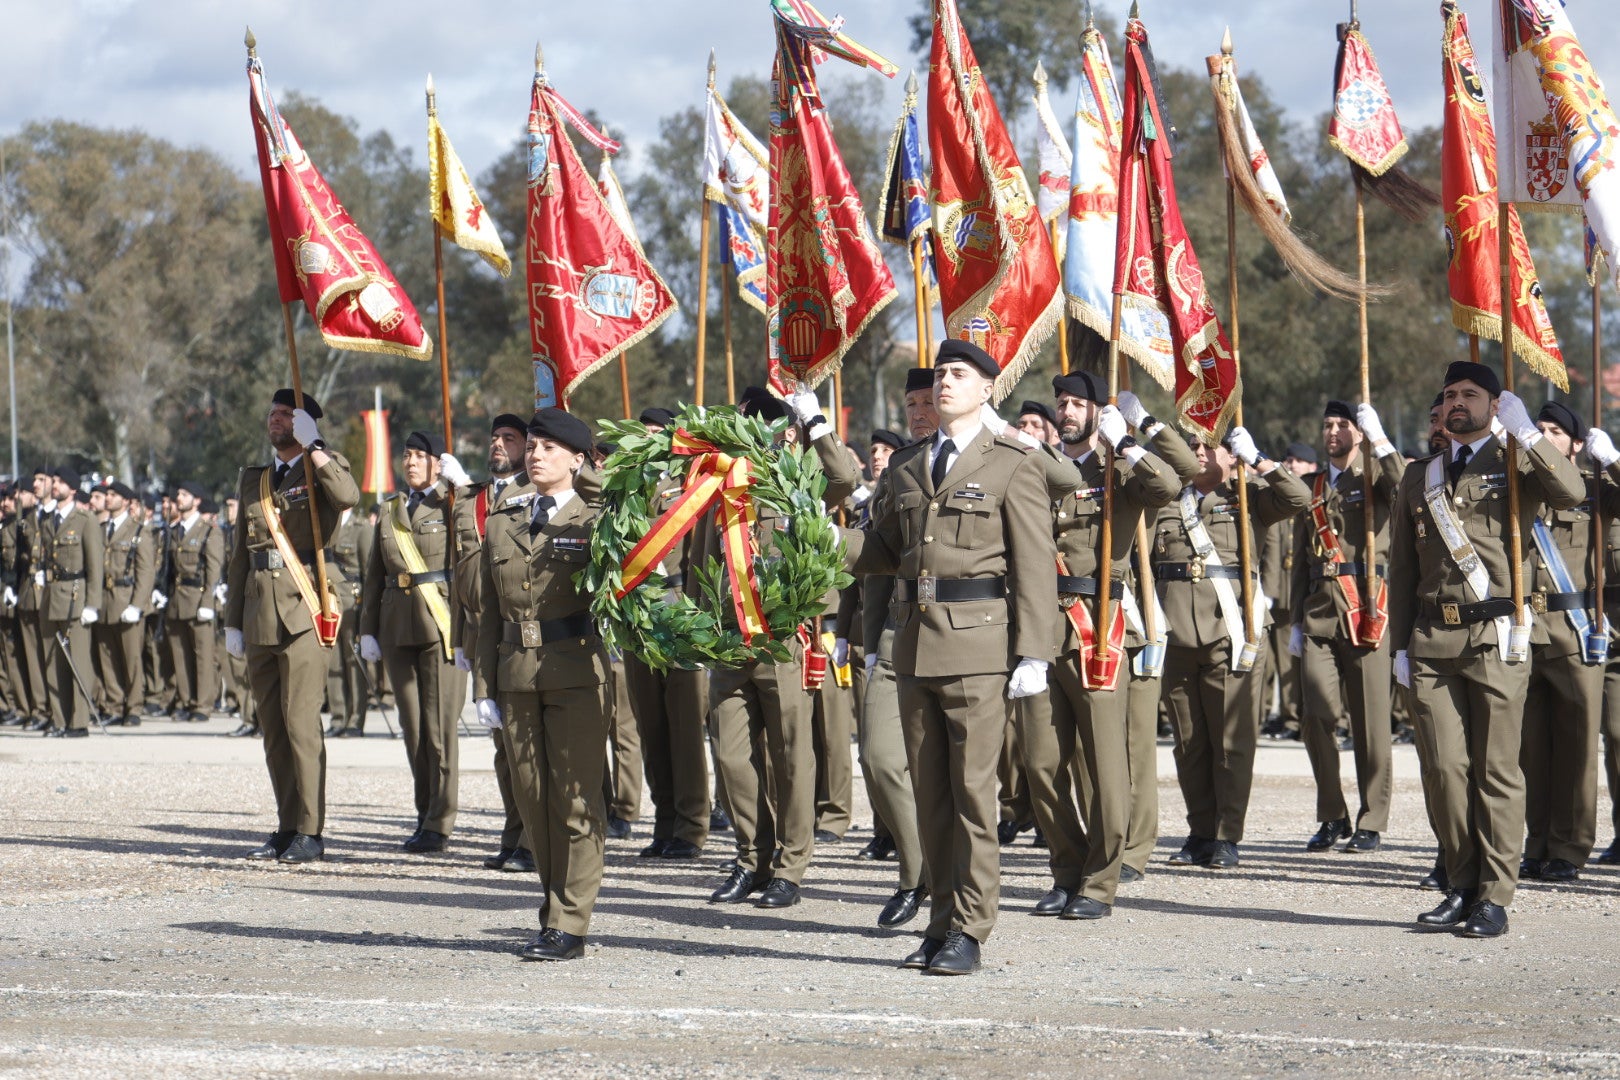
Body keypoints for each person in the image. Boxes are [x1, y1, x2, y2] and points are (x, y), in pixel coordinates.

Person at [846, 339, 1059, 975]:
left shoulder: (1014, 461)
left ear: (987, 388)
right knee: (931, 794)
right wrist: (826, 541)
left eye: (959, 374)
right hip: (914, 644)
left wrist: (1033, 653)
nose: (944, 383)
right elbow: (883, 549)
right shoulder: (909, 465)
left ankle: (971, 925)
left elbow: (1033, 564)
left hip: (979, 643)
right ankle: (940, 921)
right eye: (940, 373)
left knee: (972, 794)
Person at [1389, 361, 1584, 938]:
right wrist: (1399, 646)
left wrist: (1526, 433)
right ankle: (1461, 881)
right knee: (1444, 770)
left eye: (1469, 394)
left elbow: (1572, 492)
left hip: (1496, 637)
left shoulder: (1518, 463)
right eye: (1449, 394)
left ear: (1494, 404)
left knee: (1496, 770)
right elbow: (1402, 570)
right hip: (1431, 639)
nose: (1455, 403)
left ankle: (1494, 896)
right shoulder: (1417, 476)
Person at [1019, 371, 1195, 921]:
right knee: (1042, 763)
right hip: (1040, 626)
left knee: (1105, 762)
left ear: (1098, 411)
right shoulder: (1040, 467)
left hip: (1098, 625)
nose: (1067, 411)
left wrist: (1131, 436)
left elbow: (1175, 480)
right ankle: (1066, 869)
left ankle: (1101, 881)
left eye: (1078, 403)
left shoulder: (1119, 469)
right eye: (1062, 403)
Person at [702, 385, 857, 909]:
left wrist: (816, 424)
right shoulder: (723, 491)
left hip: (782, 641)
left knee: (792, 755)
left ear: (784, 433)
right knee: (731, 755)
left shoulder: (801, 485)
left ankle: (790, 866)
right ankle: (751, 857)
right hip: (730, 643)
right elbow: (705, 566)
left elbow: (846, 478)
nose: (741, 435)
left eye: (753, 425)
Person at [472, 407, 612, 962]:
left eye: (550, 447)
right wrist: (485, 685)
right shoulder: (504, 518)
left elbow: (637, 516)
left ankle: (569, 922)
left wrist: (591, 477)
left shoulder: (596, 517)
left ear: (577, 459)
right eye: (531, 446)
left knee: (576, 800)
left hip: (576, 670)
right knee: (533, 803)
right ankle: (553, 909)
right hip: (516, 673)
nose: (534, 455)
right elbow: (486, 610)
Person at [1152, 425, 1310, 869]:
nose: (1199, 452)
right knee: (1189, 742)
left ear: (1230, 454)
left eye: (1208, 445)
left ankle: (1227, 835)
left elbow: (1299, 498)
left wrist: (1257, 458)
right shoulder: (1168, 499)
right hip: (1176, 631)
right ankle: (1199, 831)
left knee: (1231, 742)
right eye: (1192, 445)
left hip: (1231, 631)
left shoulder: (1249, 493)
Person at [224, 390, 359, 864]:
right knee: (273, 728)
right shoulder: (255, 480)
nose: (276, 420)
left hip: (303, 609)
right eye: (274, 414)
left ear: (303, 424)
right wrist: (232, 621)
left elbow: (347, 496)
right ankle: (286, 825)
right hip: (259, 610)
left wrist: (315, 444)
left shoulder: (322, 466)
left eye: (287, 416)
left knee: (302, 724)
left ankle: (311, 829)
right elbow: (241, 552)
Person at [1289, 401, 1403, 855]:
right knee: (1316, 714)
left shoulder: (1375, 476)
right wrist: (1297, 619)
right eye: (1328, 425)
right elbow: (1300, 558)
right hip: (1319, 611)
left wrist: (1380, 439)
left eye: (1342, 425)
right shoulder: (1313, 486)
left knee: (1372, 723)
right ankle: (1332, 814)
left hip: (1367, 611)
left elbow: (1404, 487)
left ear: (1357, 432)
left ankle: (1371, 819)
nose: (1333, 431)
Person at [850, 370, 936, 922]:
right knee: (879, 756)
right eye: (911, 402)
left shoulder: (995, 456)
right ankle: (917, 869)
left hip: (964, 626)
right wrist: (868, 637)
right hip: (897, 625)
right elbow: (879, 562)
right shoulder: (900, 467)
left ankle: (952, 886)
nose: (919, 410)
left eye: (927, 400)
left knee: (950, 771)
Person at [1519, 402, 1615, 883]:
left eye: (1556, 430)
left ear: (1577, 444)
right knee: (1532, 751)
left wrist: (1611, 459)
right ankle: (1536, 843)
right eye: (1539, 429)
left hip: (1575, 634)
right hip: (1524, 631)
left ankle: (1570, 849)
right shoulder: (1520, 489)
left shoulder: (1596, 491)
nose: (1545, 435)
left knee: (1577, 749)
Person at [360, 431, 466, 854]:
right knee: (413, 729)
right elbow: (373, 573)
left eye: (420, 455)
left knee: (440, 731)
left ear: (437, 462)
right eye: (407, 455)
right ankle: (424, 813)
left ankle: (440, 822)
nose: (411, 462)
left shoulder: (452, 502)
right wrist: (367, 627)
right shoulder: (391, 509)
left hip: (439, 624)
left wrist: (464, 487)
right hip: (396, 625)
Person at [618, 406, 710, 862]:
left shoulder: (690, 483)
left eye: (658, 433)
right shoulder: (627, 485)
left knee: (685, 725)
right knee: (651, 725)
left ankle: (692, 826)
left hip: (679, 609)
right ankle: (664, 820)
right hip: (639, 614)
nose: (650, 440)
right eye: (644, 433)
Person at [452, 413, 538, 873]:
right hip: (482, 634)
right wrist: (458, 639)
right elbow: (457, 573)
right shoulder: (472, 501)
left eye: (510, 438)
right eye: (495, 439)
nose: (499, 445)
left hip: (518, 632)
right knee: (502, 749)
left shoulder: (537, 495)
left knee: (525, 746)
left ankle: (530, 840)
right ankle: (513, 833)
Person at [38, 467, 104, 737]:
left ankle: (78, 722)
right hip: (51, 595)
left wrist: (93, 604)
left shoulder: (84, 519)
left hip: (76, 597)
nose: (55, 485)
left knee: (77, 661)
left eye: (61, 482)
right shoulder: (47, 520)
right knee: (53, 662)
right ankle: (59, 719)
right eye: (54, 481)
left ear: (73, 488)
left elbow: (95, 564)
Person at [96, 481, 155, 727]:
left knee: (131, 659)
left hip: (126, 598)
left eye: (113, 495)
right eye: (107, 495)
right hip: (104, 600)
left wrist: (137, 605)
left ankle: (133, 707)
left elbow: (146, 572)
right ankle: (113, 704)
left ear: (127, 501)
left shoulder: (139, 531)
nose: (108, 499)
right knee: (107, 658)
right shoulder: (100, 529)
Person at [165, 481, 224, 724]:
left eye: (185, 494)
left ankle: (203, 704)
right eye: (178, 494)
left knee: (203, 655)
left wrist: (208, 602)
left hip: (199, 597)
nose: (179, 498)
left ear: (197, 500)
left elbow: (214, 570)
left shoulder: (209, 530)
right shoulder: (176, 529)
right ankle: (187, 701)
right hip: (178, 600)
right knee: (181, 655)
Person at [323, 503, 372, 736]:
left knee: (354, 662)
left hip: (353, 600)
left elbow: (369, 571)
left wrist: (367, 609)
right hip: (328, 600)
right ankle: (338, 716)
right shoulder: (323, 525)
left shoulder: (360, 528)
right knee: (333, 662)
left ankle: (355, 719)